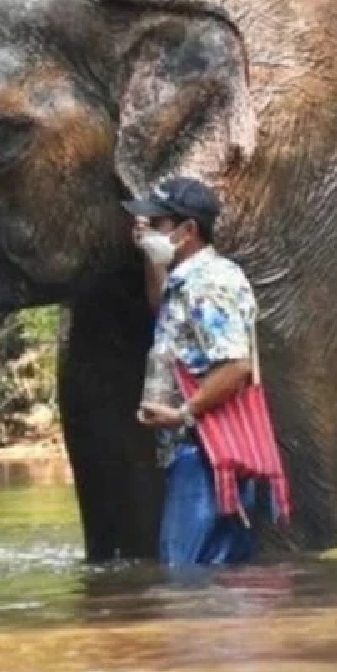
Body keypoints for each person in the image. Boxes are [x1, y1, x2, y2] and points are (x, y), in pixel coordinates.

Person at [128, 176, 289, 567]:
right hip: (211, 454)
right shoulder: (189, 282)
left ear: (187, 231)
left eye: (157, 223)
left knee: (184, 578)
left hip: (205, 455)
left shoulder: (210, 285)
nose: (145, 228)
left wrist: (184, 413)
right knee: (222, 582)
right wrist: (152, 257)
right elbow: (167, 314)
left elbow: (235, 364)